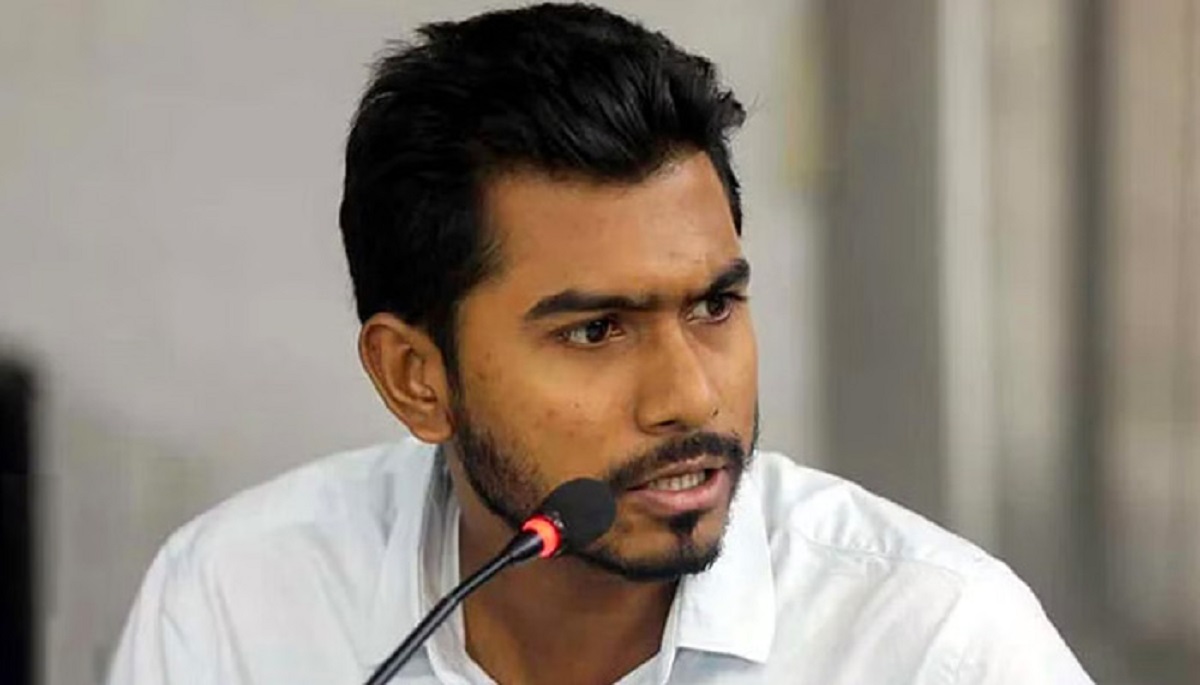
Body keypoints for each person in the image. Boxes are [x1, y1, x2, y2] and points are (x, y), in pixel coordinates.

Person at [108, 4, 1094, 684]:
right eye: (594, 330)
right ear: (416, 378)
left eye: (714, 306)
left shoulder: (933, 643)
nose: (691, 398)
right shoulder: (239, 599)